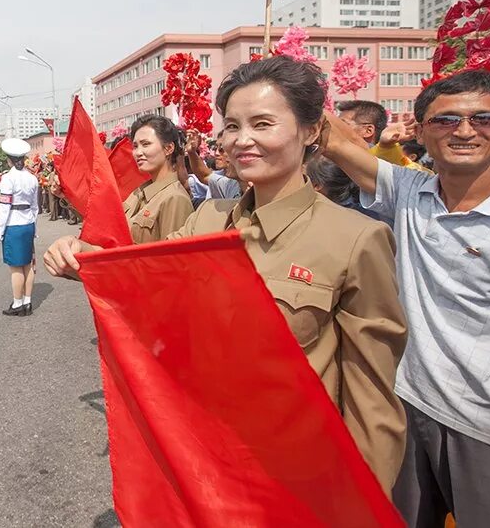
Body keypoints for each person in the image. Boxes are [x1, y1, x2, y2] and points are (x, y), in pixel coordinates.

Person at [44, 56, 408, 493]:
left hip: (294, 475)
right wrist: (81, 257)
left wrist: (365, 502)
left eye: (263, 123)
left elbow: (372, 398)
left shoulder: (357, 237)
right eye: (232, 126)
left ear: (311, 131)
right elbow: (141, 273)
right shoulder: (208, 220)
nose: (242, 140)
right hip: (205, 457)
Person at [320, 68, 490, 527]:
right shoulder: (411, 192)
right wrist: (288, 71)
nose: (466, 131)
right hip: (410, 408)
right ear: (422, 131)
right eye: (446, 121)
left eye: (484, 119)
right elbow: (336, 142)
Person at [123, 114, 194, 243]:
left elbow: (171, 257)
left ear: (168, 148)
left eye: (146, 144)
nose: (138, 152)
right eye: (135, 146)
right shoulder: (138, 193)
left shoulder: (175, 198)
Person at [0, 138, 40, 317]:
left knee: (16, 267)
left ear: (9, 160)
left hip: (13, 226)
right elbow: (36, 207)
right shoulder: (32, 178)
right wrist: (34, 228)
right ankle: (28, 301)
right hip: (28, 224)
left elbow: (4, 208)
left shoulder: (7, 178)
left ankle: (17, 303)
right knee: (28, 265)